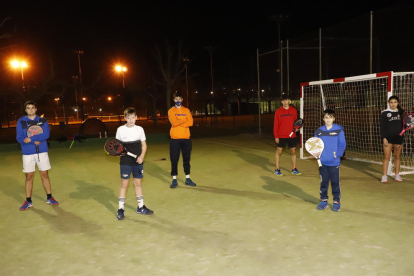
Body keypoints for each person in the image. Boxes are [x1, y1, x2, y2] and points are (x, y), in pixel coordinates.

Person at [16, 101, 59, 211]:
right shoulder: (21, 121)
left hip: (42, 152)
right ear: (25, 110)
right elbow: (19, 138)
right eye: (28, 108)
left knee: (44, 174)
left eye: (32, 108)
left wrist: (32, 139)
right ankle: (28, 200)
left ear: (36, 109)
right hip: (27, 153)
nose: (31, 109)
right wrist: (32, 142)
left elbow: (46, 134)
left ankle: (50, 197)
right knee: (29, 176)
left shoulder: (42, 120)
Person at [115, 107, 153, 220]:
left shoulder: (140, 129)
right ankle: (121, 209)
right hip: (125, 161)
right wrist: (118, 153)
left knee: (138, 183)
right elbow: (117, 147)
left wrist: (142, 156)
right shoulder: (120, 130)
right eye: (128, 118)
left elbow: (144, 145)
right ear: (125, 118)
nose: (131, 120)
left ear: (136, 117)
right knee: (124, 185)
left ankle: (141, 207)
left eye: (133, 117)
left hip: (138, 161)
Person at [314, 109, 346, 212]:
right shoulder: (319, 131)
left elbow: (342, 144)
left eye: (330, 117)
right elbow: (315, 145)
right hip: (323, 162)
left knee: (335, 183)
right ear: (323, 119)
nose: (328, 119)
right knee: (323, 182)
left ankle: (336, 202)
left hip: (334, 162)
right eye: (326, 117)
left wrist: (338, 155)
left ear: (334, 118)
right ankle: (324, 201)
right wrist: (317, 155)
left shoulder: (339, 130)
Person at [168, 92, 196, 188]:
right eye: (176, 99)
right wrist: (185, 121)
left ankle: (188, 178)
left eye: (179, 99)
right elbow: (174, 123)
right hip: (175, 140)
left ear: (182, 99)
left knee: (186, 160)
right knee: (174, 159)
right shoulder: (171, 111)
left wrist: (179, 121)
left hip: (186, 139)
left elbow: (191, 122)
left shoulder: (186, 110)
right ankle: (174, 179)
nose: (178, 101)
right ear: (174, 100)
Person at [273, 94, 301, 176]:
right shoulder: (278, 111)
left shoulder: (293, 110)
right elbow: (276, 125)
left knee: (293, 151)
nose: (285, 102)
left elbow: (296, 122)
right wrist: (276, 136)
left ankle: (294, 168)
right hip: (281, 135)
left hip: (292, 135)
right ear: (281, 102)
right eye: (283, 100)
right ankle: (277, 169)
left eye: (287, 100)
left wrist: (297, 128)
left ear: (289, 100)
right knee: (279, 152)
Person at [380, 95, 405, 183]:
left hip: (398, 137)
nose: (393, 104)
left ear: (398, 103)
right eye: (391, 102)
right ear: (389, 103)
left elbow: (405, 125)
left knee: (397, 157)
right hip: (388, 138)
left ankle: (397, 175)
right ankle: (384, 176)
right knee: (386, 157)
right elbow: (382, 127)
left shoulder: (401, 112)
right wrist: (384, 137)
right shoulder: (385, 113)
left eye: (395, 102)